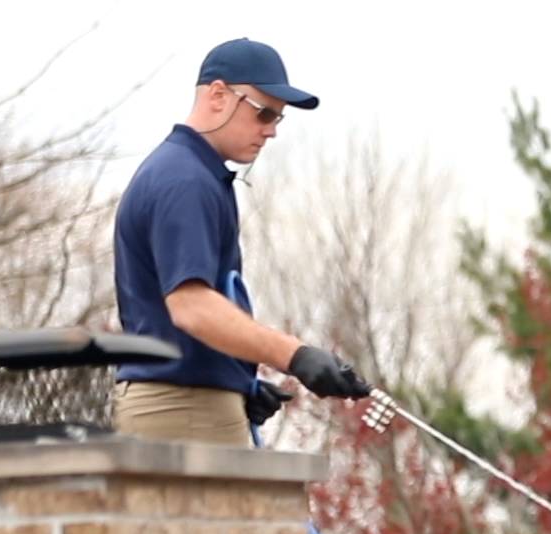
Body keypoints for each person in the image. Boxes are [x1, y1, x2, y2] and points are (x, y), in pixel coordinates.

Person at [111, 37, 370, 447]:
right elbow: (191, 307)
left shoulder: (190, 172)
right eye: (263, 113)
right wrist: (295, 355)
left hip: (187, 402)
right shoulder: (185, 180)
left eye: (277, 119)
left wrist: (236, 380)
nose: (270, 131)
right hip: (182, 408)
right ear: (218, 95)